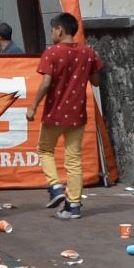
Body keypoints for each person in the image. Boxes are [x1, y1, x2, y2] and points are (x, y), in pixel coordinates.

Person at [32, 12, 104, 219]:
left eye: (52, 30)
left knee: (45, 149)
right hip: (77, 114)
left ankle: (55, 187)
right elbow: (97, 81)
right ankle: (74, 206)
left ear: (59, 30)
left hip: (54, 114)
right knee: (74, 160)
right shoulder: (88, 52)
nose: (52, 33)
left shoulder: (51, 53)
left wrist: (33, 106)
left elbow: (45, 83)